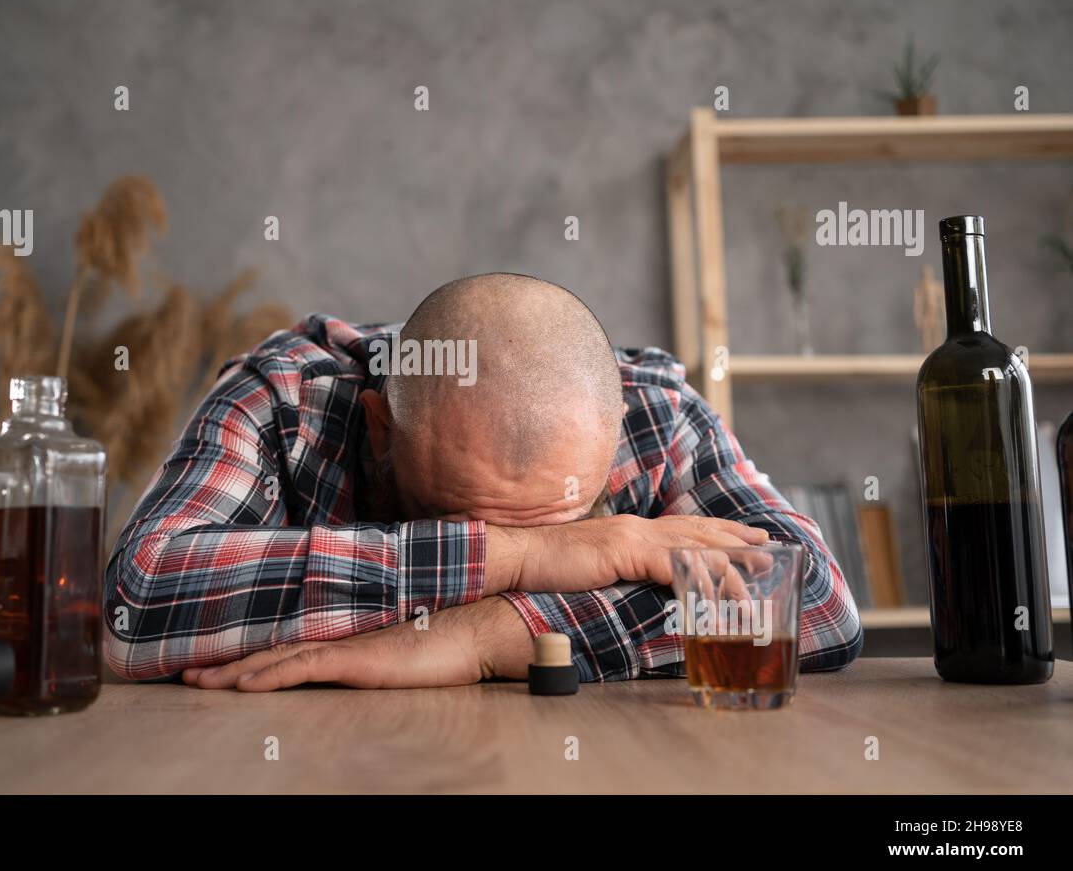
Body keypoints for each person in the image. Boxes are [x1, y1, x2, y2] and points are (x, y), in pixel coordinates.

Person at [104, 273, 862, 690]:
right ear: (379, 428)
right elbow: (132, 605)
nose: (544, 547)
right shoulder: (286, 397)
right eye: (456, 519)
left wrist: (494, 636)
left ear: (613, 430)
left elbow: (817, 603)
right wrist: (519, 561)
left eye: (569, 527)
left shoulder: (655, 411)